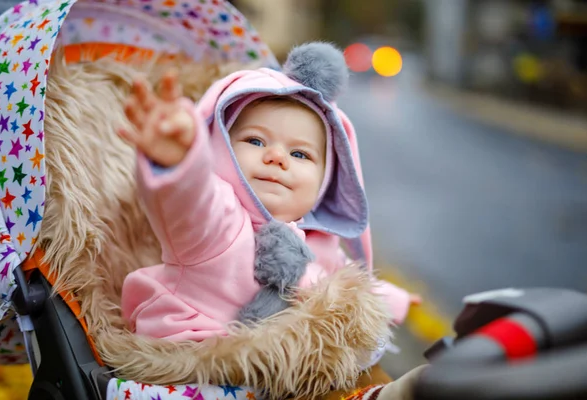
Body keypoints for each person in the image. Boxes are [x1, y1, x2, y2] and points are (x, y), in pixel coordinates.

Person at [118, 42, 419, 346]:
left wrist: (397, 301)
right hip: (194, 357)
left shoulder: (319, 241)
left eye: (300, 154)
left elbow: (343, 287)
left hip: (277, 368)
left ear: (326, 181)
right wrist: (180, 161)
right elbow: (188, 200)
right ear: (219, 148)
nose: (276, 157)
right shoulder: (217, 221)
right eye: (256, 141)